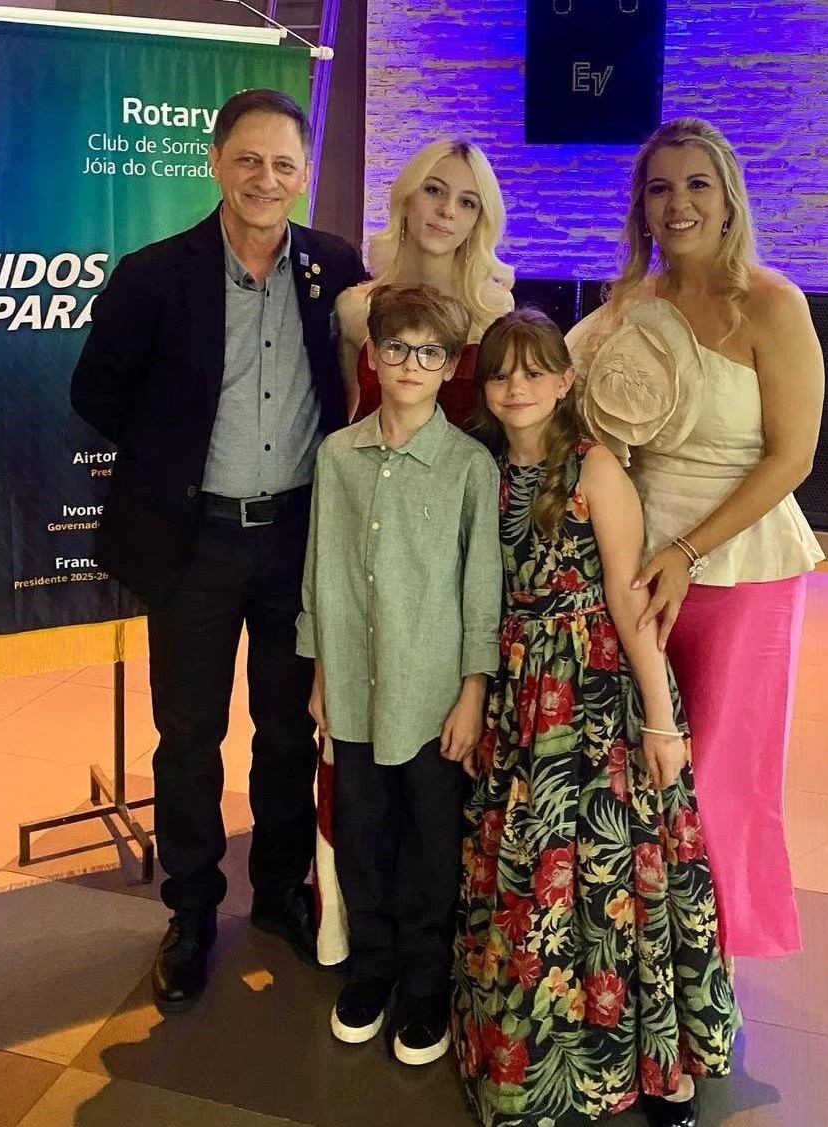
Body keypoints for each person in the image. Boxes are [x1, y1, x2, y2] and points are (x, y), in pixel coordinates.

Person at [70, 88, 366, 1014]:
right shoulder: (155, 274)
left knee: (287, 729)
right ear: (215, 162)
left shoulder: (334, 267)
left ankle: (277, 891)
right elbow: (95, 392)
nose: (265, 179)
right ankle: (191, 912)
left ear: (304, 174)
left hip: (296, 541)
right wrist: (172, 456)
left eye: (283, 164)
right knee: (189, 735)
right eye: (248, 159)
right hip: (193, 542)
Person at [453, 309, 736, 1127]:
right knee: (531, 872)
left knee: (619, 871)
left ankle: (660, 1068)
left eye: (534, 370)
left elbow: (627, 594)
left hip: (598, 690)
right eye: (501, 372)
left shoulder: (594, 466)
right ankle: (539, 1065)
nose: (517, 386)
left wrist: (661, 719)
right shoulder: (477, 467)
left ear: (565, 379)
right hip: (518, 694)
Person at [567, 117, 825, 960]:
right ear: (641, 207)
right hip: (634, 561)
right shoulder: (628, 307)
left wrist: (688, 552)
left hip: (740, 568)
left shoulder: (774, 305)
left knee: (718, 771)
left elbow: (793, 457)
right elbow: (559, 393)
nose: (678, 202)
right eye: (659, 187)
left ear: (728, 199)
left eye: (696, 184)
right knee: (639, 765)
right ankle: (642, 955)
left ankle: (711, 962)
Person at [298, 284, 502, 1065]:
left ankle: (423, 980)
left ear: (450, 366)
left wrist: (473, 690)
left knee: (429, 839)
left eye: (429, 351)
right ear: (373, 356)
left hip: (430, 693)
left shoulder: (469, 466)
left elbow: (480, 586)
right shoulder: (337, 456)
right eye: (395, 347)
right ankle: (372, 966)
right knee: (362, 829)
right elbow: (320, 569)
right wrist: (321, 671)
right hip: (353, 682)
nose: (410, 363)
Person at [334, 139, 514, 427]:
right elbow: (343, 425)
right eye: (434, 190)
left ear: (477, 222)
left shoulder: (494, 309)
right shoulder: (353, 308)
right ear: (407, 198)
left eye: (467, 202)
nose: (447, 210)